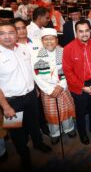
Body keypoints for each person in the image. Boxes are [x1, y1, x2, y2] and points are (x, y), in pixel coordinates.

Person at [0, 22, 51, 168]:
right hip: (11, 102)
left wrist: (34, 88)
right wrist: (5, 107)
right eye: (2, 33)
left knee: (34, 123)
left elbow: (32, 68)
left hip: (30, 96)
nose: (7, 36)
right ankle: (24, 154)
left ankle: (38, 143)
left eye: (11, 32)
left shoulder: (23, 48)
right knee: (16, 132)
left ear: (17, 34)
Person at [63, 19, 91, 145]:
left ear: (90, 31)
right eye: (81, 31)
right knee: (80, 112)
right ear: (76, 32)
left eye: (87, 30)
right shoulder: (68, 48)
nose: (84, 34)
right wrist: (82, 87)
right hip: (79, 86)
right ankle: (82, 133)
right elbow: (68, 72)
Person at [32, 28, 76, 144]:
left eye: (52, 39)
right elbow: (36, 75)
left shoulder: (63, 51)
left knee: (66, 110)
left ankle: (69, 128)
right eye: (46, 39)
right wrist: (50, 90)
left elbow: (69, 70)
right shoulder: (36, 55)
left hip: (63, 87)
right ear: (42, 41)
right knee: (52, 114)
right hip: (47, 90)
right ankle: (55, 133)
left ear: (56, 40)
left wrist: (61, 85)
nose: (49, 42)